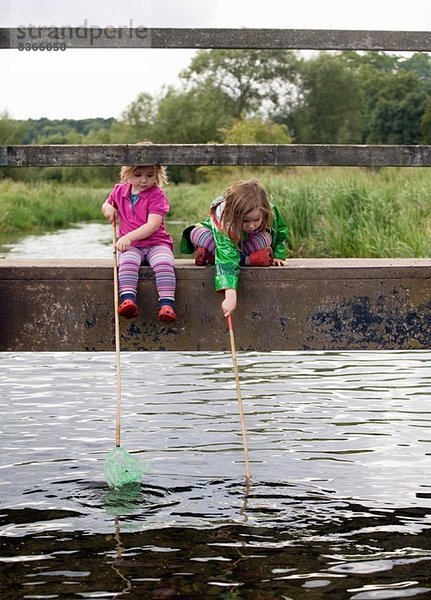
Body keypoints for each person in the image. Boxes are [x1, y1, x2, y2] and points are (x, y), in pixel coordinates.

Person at [180, 178, 288, 317]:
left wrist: (279, 254)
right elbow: (227, 252)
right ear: (233, 215)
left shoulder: (270, 211)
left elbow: (280, 233)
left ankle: (214, 258)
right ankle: (247, 260)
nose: (251, 225)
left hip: (247, 244)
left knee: (265, 239)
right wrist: (230, 292)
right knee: (197, 233)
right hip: (220, 244)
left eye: (256, 220)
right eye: (245, 221)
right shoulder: (224, 218)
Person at [101, 150, 176, 323]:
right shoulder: (119, 191)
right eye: (138, 174)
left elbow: (152, 225)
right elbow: (106, 204)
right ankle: (128, 300)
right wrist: (108, 209)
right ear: (127, 173)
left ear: (157, 174)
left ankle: (166, 304)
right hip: (133, 247)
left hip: (157, 243)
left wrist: (128, 237)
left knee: (164, 263)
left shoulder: (157, 195)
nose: (144, 180)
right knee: (126, 262)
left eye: (150, 175)